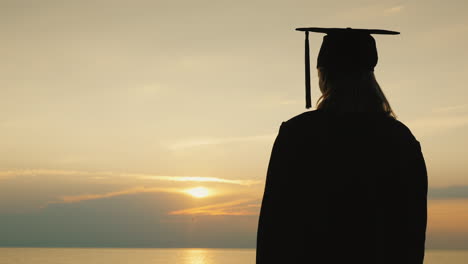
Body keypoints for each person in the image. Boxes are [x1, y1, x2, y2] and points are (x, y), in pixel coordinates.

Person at [256, 28, 428, 264]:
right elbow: (412, 228)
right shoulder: (400, 139)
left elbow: (275, 224)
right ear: (370, 75)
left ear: (324, 75)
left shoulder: (298, 134)